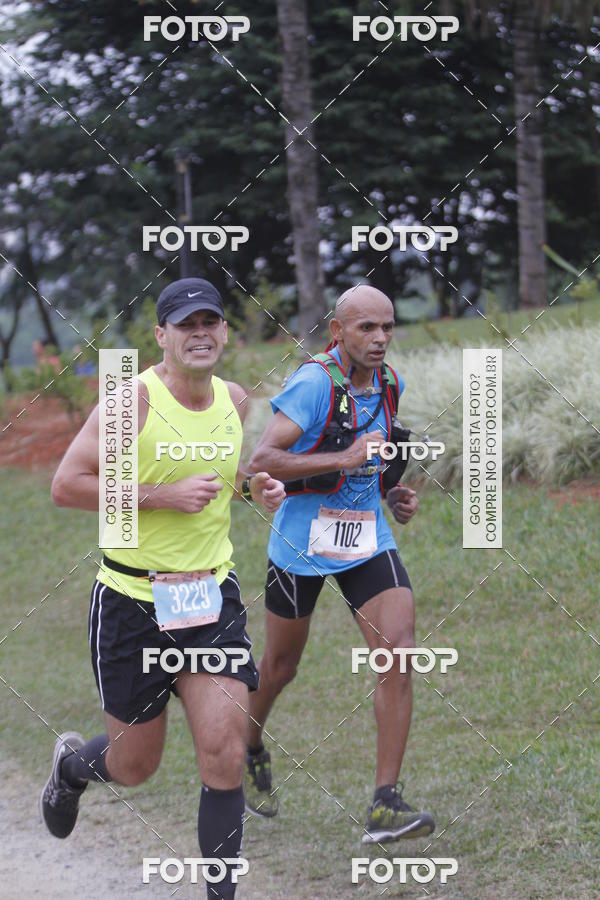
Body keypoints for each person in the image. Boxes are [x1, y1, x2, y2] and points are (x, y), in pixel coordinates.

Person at [41, 277, 285, 900]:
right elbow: (67, 485)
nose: (199, 333)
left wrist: (256, 488)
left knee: (224, 752)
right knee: (135, 765)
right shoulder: (134, 403)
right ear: (162, 337)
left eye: (210, 322)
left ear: (225, 332)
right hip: (132, 604)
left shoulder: (234, 399)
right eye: (185, 324)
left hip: (210, 603)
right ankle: (72, 767)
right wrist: (161, 498)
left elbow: (225, 475)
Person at [243, 285, 435, 843]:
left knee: (399, 651)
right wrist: (346, 457)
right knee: (280, 668)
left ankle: (385, 804)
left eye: (387, 327)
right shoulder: (313, 383)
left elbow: (379, 456)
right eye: (365, 329)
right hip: (301, 547)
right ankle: (250, 744)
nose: (378, 339)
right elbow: (262, 460)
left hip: (366, 543)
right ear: (338, 332)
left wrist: (392, 494)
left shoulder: (389, 383)